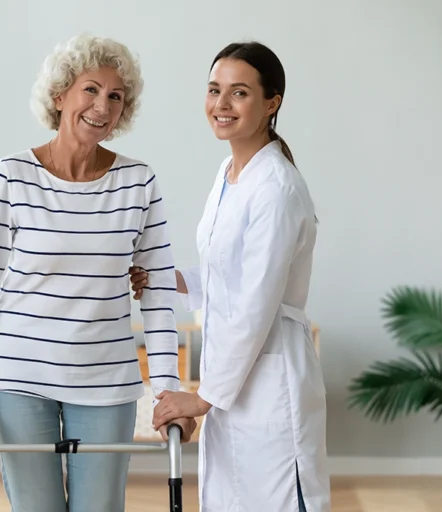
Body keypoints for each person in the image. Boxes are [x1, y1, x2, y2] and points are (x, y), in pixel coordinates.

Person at [0, 33, 196, 512]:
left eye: (115, 96)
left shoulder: (139, 182)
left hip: (106, 382)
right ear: (60, 95)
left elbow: (159, 297)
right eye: (91, 89)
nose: (102, 105)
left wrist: (168, 392)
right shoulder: (11, 176)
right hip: (19, 378)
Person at [130, 41, 331, 512]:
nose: (221, 105)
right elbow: (228, 274)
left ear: (271, 102)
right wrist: (167, 278)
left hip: (269, 381)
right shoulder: (229, 172)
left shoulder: (277, 188)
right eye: (214, 90)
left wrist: (202, 399)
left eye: (238, 93)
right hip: (234, 382)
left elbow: (256, 304)